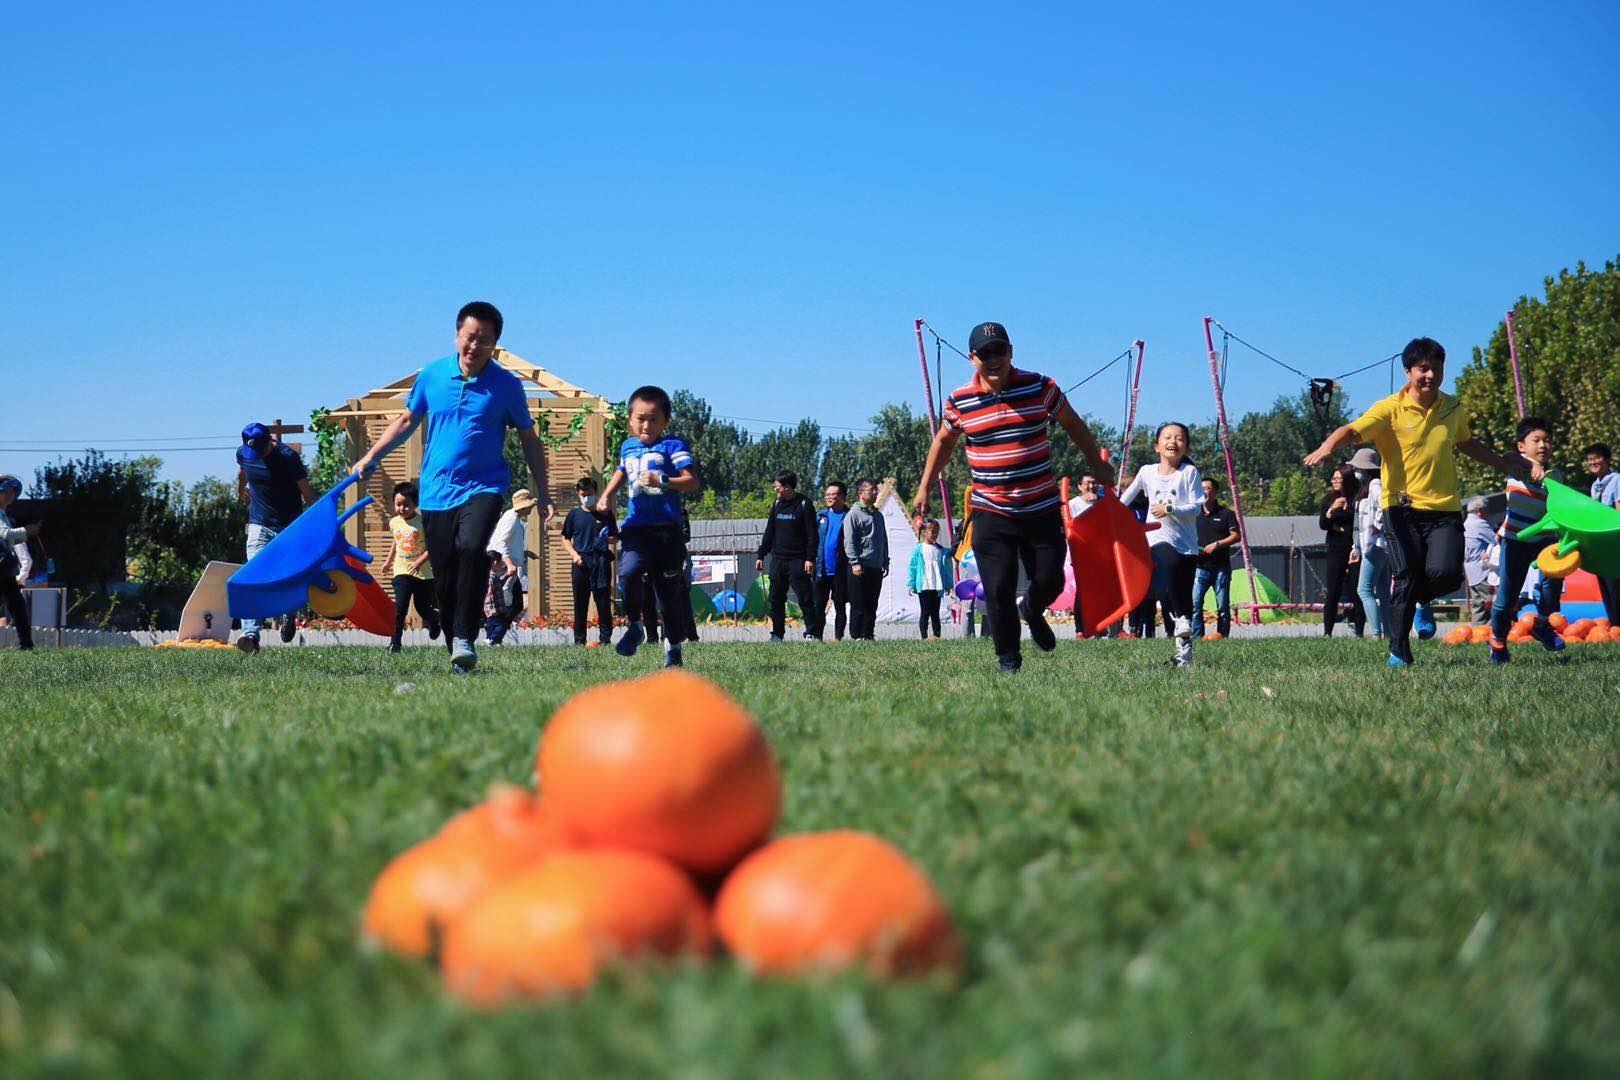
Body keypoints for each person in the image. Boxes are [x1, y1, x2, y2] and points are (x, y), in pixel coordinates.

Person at [1304, 337, 1538, 666]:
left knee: (1447, 575)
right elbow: (1351, 429)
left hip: (1444, 508)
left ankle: (1420, 602)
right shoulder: (1389, 410)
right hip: (1401, 508)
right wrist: (1329, 446)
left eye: (1437, 369)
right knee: (1406, 575)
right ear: (1408, 372)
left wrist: (1505, 462)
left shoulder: (1453, 408)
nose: (1430, 375)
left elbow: (1467, 443)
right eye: (1423, 369)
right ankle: (1399, 651)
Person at [352, 301, 554, 674]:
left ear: (495, 344)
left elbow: (529, 438)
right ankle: (455, 643)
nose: (475, 347)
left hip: (484, 485)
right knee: (443, 576)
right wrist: (372, 456)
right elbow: (407, 419)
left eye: (485, 341)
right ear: (457, 335)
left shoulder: (507, 386)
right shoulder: (432, 376)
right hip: (435, 491)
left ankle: (464, 635)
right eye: (470, 337)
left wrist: (543, 490)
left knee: (473, 547)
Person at [912, 321, 1113, 673]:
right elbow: (943, 442)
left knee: (1052, 579)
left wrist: (1096, 463)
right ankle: (1008, 657)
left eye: (999, 351)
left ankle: (1033, 609)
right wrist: (925, 485)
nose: (993, 359)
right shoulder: (960, 401)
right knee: (997, 587)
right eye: (985, 353)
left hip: (1040, 507)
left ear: (1011, 351)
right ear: (973, 358)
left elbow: (1073, 424)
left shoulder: (1040, 386)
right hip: (992, 511)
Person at [596, 385, 699, 667]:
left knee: (668, 595)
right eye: (640, 418)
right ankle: (634, 625)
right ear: (630, 420)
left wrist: (662, 480)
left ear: (665, 421)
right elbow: (621, 470)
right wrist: (606, 495)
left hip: (666, 531)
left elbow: (691, 481)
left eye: (654, 419)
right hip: (636, 528)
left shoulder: (673, 446)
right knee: (628, 574)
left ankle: (674, 649)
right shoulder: (627, 446)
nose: (646, 425)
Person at [1120, 423, 1204, 667]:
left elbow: (1196, 508)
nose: (1173, 441)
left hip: (1187, 545)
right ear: (1157, 446)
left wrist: (1169, 509)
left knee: (1184, 607)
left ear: (1185, 446)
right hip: (1156, 538)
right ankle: (1180, 621)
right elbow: (1123, 501)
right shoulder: (1147, 472)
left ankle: (1184, 658)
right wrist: (1107, 515)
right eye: (1167, 437)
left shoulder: (1188, 473)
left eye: (1179, 438)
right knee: (1169, 559)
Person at [1488, 418, 1568, 662]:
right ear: (1522, 446)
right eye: (1536, 440)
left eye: (1547, 441)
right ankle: (1498, 640)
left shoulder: (1556, 476)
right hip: (1515, 539)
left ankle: (1542, 624)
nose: (1543, 445)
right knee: (1507, 597)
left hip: (1545, 540)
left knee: (1552, 584)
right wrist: (1525, 464)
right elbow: (1507, 455)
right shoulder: (1516, 468)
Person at [235, 422, 318, 653]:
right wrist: (240, 489)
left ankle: (288, 610)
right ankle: (250, 635)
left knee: (286, 577)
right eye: (254, 450)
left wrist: (320, 520)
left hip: (289, 527)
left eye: (261, 449)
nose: (258, 455)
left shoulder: (288, 457)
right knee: (253, 576)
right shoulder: (244, 452)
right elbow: (242, 470)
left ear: (270, 441)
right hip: (259, 525)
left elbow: (306, 491)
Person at [755, 470, 820, 641]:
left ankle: (812, 633)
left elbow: (813, 535)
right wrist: (761, 555)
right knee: (775, 599)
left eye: (777, 486)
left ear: (787, 486)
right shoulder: (777, 505)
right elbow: (769, 532)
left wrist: (810, 558)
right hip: (778, 561)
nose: (775, 489)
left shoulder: (804, 504)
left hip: (798, 561)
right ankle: (777, 634)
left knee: (805, 598)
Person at [385, 481, 441, 652]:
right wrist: (388, 562)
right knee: (400, 607)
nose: (402, 508)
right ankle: (395, 643)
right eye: (398, 504)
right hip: (401, 571)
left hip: (423, 572)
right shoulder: (394, 522)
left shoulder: (423, 522)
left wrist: (418, 563)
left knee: (422, 608)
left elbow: (433, 546)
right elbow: (396, 541)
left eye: (406, 505)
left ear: (415, 504)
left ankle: (433, 619)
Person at [561, 475, 617, 646]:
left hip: (600, 562)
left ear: (596, 493)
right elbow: (565, 538)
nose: (587, 497)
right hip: (580, 562)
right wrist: (574, 555)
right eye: (583, 494)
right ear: (579, 494)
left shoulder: (605, 514)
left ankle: (605, 640)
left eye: (590, 493)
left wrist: (606, 539)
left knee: (603, 603)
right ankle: (579, 641)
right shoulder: (574, 515)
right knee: (580, 604)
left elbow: (615, 536)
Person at [1317, 465, 1366, 637]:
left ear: (1347, 479)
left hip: (1354, 549)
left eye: (1338, 478)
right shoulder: (1329, 499)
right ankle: (1327, 632)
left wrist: (1341, 521)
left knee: (1356, 591)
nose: (1335, 481)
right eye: (1333, 478)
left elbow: (1357, 521)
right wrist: (1332, 510)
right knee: (1333, 591)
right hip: (1335, 549)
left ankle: (1359, 631)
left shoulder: (1357, 499)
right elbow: (1323, 524)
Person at [484, 489, 536, 643]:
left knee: (509, 606)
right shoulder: (512, 519)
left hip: (506, 567)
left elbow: (508, 543)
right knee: (513, 606)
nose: (531, 508)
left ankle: (493, 638)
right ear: (523, 505)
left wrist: (524, 553)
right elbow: (500, 543)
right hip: (503, 569)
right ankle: (493, 638)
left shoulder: (513, 518)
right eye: (530, 505)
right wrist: (509, 564)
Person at [1192, 477, 1239, 639]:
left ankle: (1223, 637)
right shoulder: (1193, 513)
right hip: (1200, 567)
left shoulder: (1227, 514)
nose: (1204, 492)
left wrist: (1217, 544)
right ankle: (1197, 637)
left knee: (1222, 607)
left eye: (1207, 488)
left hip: (1221, 568)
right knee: (1195, 604)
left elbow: (1236, 536)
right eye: (1201, 489)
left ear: (1215, 492)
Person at [1349, 448, 1390, 637]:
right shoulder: (1368, 487)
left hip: (1375, 544)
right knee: (1382, 591)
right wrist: (1355, 547)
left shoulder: (1375, 484)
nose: (1355, 471)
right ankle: (1389, 633)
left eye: (1357, 467)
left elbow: (1383, 505)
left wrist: (1377, 524)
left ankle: (1376, 633)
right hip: (1376, 546)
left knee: (1363, 589)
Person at [843, 478, 889, 639]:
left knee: (872, 603)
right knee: (858, 604)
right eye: (872, 490)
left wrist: (885, 560)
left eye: (876, 490)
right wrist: (855, 562)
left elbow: (883, 539)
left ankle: (868, 634)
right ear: (861, 493)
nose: (876, 493)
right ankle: (857, 635)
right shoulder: (853, 515)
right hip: (859, 566)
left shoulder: (878, 515)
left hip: (876, 566)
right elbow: (849, 542)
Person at [0, 475, 41, 650]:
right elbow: (5, 535)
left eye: (11, 491)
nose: (10, 495)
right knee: (16, 604)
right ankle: (26, 644)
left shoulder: (3, 515)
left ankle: (27, 645)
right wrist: (26, 531)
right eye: (5, 491)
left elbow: (7, 541)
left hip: (4, 568)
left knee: (17, 604)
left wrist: (24, 534)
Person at [1585, 443, 1620, 621]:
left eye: (1596, 458)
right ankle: (1614, 625)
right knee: (1604, 583)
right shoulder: (1594, 486)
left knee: (1615, 584)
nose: (1593, 462)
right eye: (1590, 459)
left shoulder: (1616, 480)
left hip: (1613, 541)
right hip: (1599, 543)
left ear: (1607, 460)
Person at [814, 481, 851, 641]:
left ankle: (838, 637)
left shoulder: (850, 516)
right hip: (821, 568)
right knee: (818, 606)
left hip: (841, 569)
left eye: (832, 495)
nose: (828, 497)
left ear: (842, 496)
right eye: (827, 494)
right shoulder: (820, 516)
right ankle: (817, 636)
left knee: (840, 606)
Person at [907, 519, 954, 639]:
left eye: (936, 532)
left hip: (936, 585)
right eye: (932, 531)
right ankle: (924, 636)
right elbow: (913, 567)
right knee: (925, 611)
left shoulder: (941, 550)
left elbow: (947, 569)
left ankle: (936, 635)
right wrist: (911, 584)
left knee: (935, 612)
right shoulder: (919, 549)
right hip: (923, 585)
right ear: (924, 532)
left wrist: (947, 584)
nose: (935, 535)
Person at [1462, 497, 1497, 623]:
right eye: (1487, 509)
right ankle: (1495, 633)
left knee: (1478, 606)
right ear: (1479, 510)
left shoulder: (1466, 524)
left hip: (1471, 573)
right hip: (1483, 572)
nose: (1489, 512)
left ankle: (1478, 635)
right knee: (1494, 603)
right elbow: (1496, 540)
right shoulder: (1479, 523)